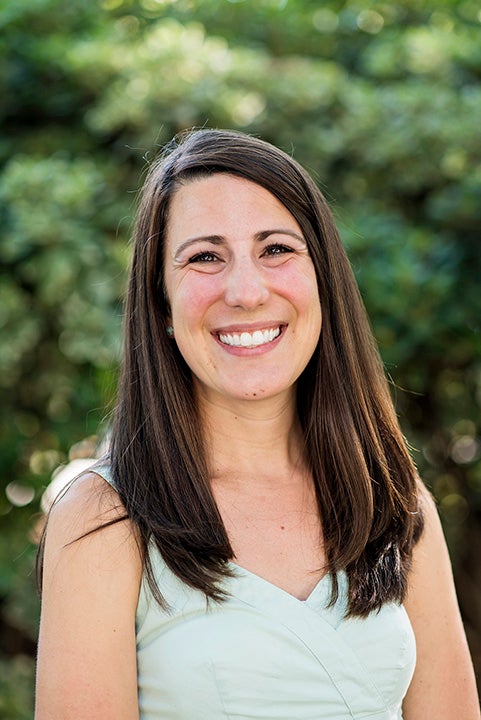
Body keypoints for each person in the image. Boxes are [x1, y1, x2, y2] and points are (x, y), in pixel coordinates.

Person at [35, 128, 480, 720]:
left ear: (324, 279)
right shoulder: (103, 518)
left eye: (276, 249)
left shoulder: (395, 499)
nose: (245, 292)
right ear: (162, 303)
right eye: (205, 257)